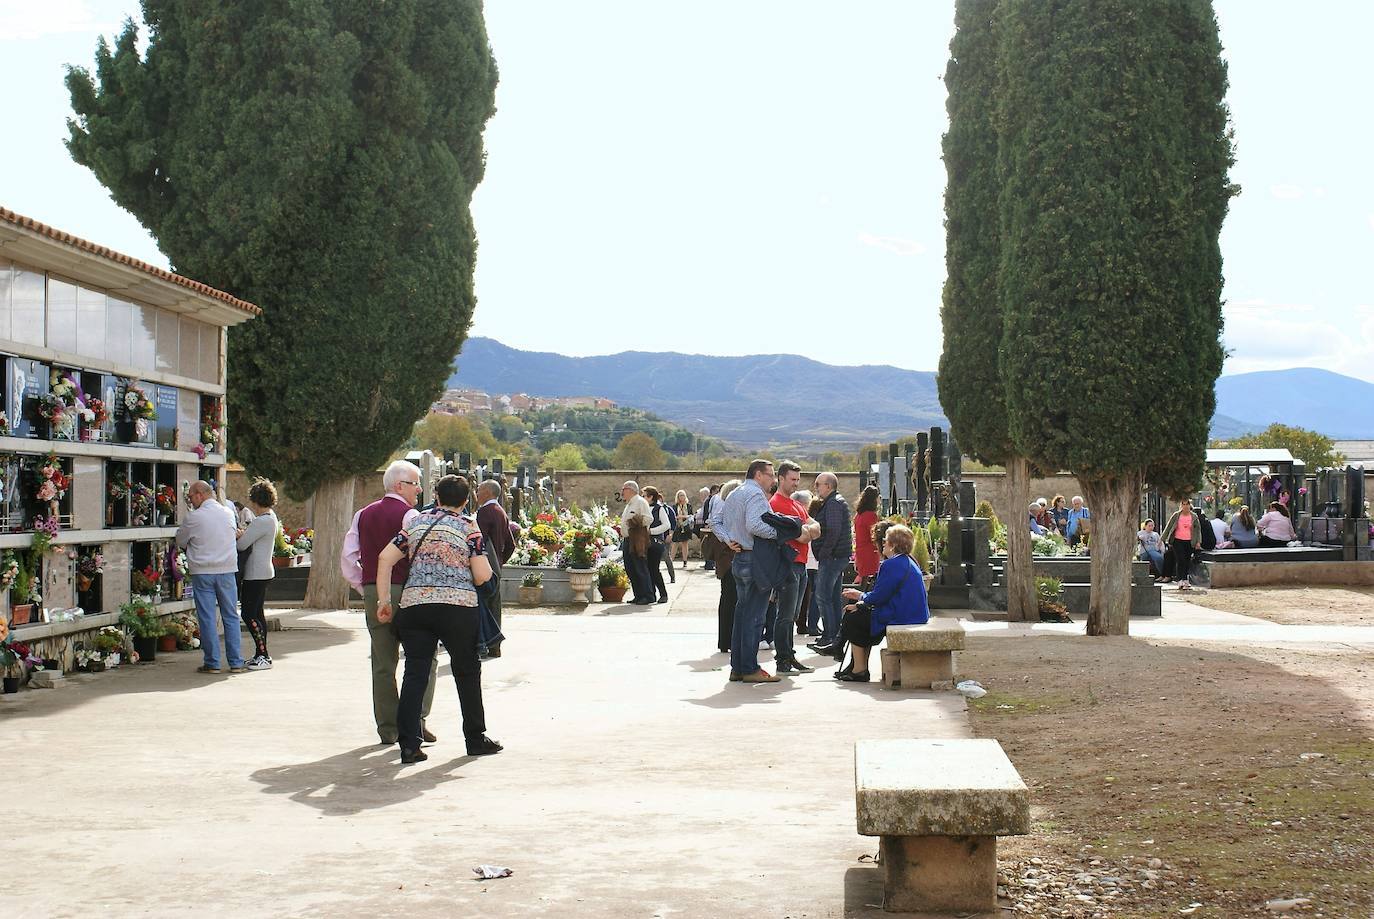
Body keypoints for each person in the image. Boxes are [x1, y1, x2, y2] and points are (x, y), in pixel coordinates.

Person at [374, 474, 502, 764]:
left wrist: (384, 601)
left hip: (415, 605)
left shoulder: (415, 522)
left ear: (437, 496)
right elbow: (482, 574)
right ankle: (475, 738)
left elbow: (385, 558)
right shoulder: (469, 526)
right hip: (457, 607)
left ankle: (408, 744)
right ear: (466, 501)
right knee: (466, 672)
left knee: (415, 673)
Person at [341, 460, 438, 746]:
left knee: (383, 662)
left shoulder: (363, 514)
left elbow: (348, 558)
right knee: (423, 657)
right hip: (408, 590)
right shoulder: (410, 516)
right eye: (416, 483)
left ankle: (388, 727)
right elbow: (418, 556)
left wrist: (364, 585)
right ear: (400, 485)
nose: (419, 489)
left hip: (375, 590)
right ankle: (417, 720)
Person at [835, 524, 930, 682]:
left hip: (902, 615)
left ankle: (859, 669)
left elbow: (879, 597)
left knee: (854, 619)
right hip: (912, 612)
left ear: (893, 545)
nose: (883, 543)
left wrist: (860, 597)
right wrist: (861, 601)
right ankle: (856, 664)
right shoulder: (908, 560)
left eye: (886, 540)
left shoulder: (891, 564)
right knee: (859, 614)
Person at [720, 459, 782, 683]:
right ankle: (749, 668)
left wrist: (728, 540)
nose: (773, 480)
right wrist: (782, 533)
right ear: (758, 475)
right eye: (771, 475)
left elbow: (716, 520)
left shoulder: (735, 492)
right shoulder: (755, 494)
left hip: (739, 558)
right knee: (755, 617)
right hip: (754, 559)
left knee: (742, 615)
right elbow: (755, 525)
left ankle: (738, 667)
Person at [176, 480, 245, 674]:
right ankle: (236, 662)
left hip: (203, 571)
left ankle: (213, 662)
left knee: (207, 618)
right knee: (230, 616)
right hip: (227, 570)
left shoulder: (194, 517)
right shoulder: (228, 513)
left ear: (200, 494)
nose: (190, 500)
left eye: (191, 497)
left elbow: (181, 540)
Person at [767, 461, 820, 673]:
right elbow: (803, 533)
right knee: (786, 615)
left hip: (800, 565)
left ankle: (789, 655)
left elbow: (815, 528)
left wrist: (806, 530)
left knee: (794, 613)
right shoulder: (777, 503)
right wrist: (806, 531)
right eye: (792, 479)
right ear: (781, 478)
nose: (796, 484)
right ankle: (783, 659)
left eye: (798, 479)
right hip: (788, 565)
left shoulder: (797, 504)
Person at [235, 478, 279, 670]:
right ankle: (261, 654)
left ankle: (264, 655)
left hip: (255, 573)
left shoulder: (261, 521)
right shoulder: (271, 517)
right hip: (264, 571)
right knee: (258, 615)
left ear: (255, 501)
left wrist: (239, 535)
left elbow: (241, 545)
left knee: (248, 614)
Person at [808, 471, 852, 660]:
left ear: (828, 486)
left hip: (833, 557)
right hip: (836, 556)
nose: (816, 488)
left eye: (818, 484)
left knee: (823, 596)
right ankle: (834, 637)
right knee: (833, 597)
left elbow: (833, 531)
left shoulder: (833, 503)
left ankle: (829, 636)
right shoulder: (835, 501)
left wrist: (824, 552)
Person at [475, 478, 515, 655]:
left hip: (484, 566)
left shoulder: (485, 512)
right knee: (494, 606)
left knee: (482, 606)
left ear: (488, 492)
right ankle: (495, 646)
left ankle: (483, 643)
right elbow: (511, 544)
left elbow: (478, 541)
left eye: (479, 489)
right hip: (496, 565)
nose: (476, 492)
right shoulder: (501, 511)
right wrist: (500, 561)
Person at [707, 479, 742, 654]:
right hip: (730, 560)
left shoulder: (723, 507)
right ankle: (728, 640)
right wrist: (729, 542)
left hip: (725, 560)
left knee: (728, 600)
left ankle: (725, 641)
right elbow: (714, 524)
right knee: (731, 600)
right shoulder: (728, 510)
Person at [619, 481, 654, 605]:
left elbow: (649, 519)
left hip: (637, 539)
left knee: (640, 568)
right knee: (630, 569)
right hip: (628, 540)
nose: (622, 491)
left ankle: (647, 595)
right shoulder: (629, 504)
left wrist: (637, 522)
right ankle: (638, 595)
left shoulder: (640, 502)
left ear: (631, 490)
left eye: (624, 489)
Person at [1161, 498, 1203, 588]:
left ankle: (1185, 579)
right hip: (1177, 540)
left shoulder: (1194, 516)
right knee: (1181, 560)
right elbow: (1168, 527)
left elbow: (1198, 530)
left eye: (1187, 504)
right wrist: (1162, 539)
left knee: (1187, 560)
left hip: (1189, 541)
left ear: (1189, 505)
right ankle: (1180, 579)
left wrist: (1198, 542)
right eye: (1183, 504)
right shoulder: (1176, 515)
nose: (1185, 506)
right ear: (1181, 505)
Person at [643, 485, 672, 602]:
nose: (642, 497)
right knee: (647, 570)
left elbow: (667, 525)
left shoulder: (659, 509)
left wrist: (651, 531)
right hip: (644, 543)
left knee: (654, 569)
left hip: (655, 543)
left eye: (644, 496)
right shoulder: (644, 508)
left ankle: (663, 594)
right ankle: (651, 595)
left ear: (650, 497)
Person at [853, 485, 881, 590]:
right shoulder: (871, 515)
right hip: (870, 552)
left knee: (865, 580)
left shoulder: (859, 515)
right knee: (870, 581)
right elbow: (874, 535)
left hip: (861, 551)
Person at [696, 484, 720, 570]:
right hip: (709, 526)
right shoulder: (709, 500)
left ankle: (710, 563)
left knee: (711, 545)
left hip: (710, 525)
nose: (718, 493)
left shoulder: (712, 500)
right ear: (712, 492)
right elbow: (706, 514)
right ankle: (709, 564)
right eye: (716, 491)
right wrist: (707, 524)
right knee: (709, 545)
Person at [672, 490, 694, 568]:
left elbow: (691, 516)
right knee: (675, 543)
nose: (682, 497)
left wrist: (683, 516)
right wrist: (679, 517)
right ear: (677, 497)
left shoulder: (688, 506)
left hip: (686, 527)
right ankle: (671, 560)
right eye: (680, 495)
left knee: (685, 543)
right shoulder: (675, 506)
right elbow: (673, 516)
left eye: (683, 495)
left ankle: (685, 561)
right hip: (677, 527)